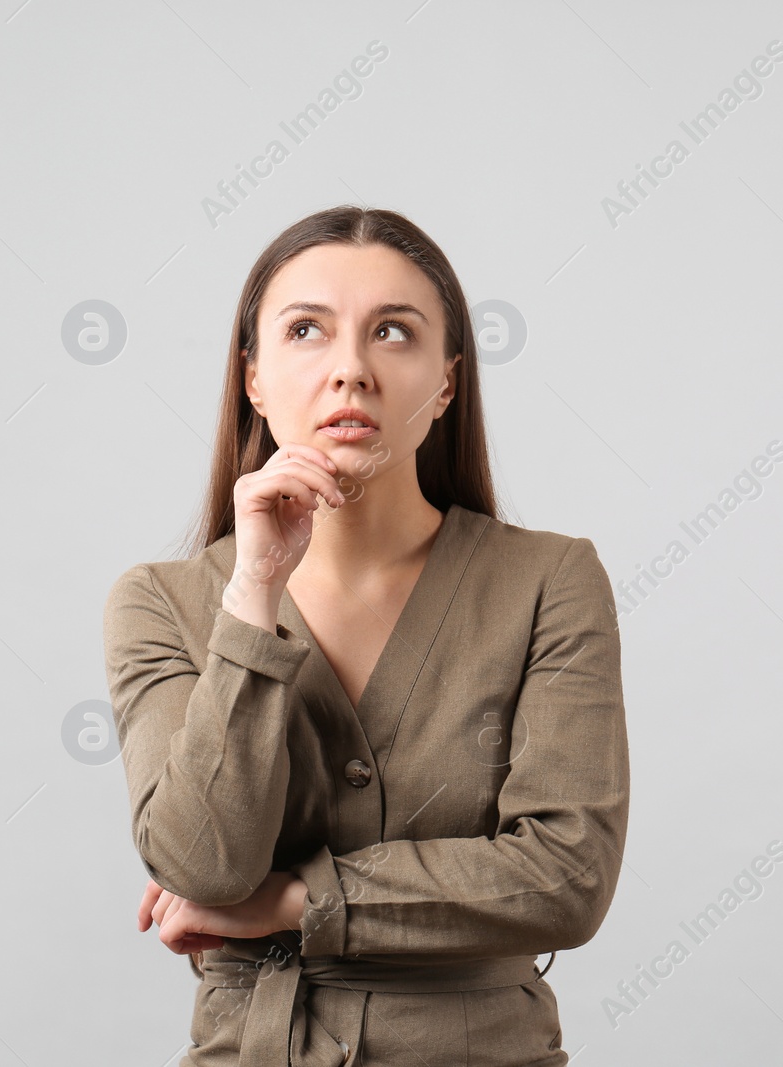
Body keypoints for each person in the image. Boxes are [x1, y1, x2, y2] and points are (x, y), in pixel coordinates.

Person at [102, 205, 630, 1066]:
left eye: (393, 332)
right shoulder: (163, 603)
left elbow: (566, 878)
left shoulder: (550, 582)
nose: (350, 370)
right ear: (254, 378)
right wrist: (255, 592)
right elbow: (204, 863)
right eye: (307, 330)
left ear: (447, 381)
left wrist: (297, 901)